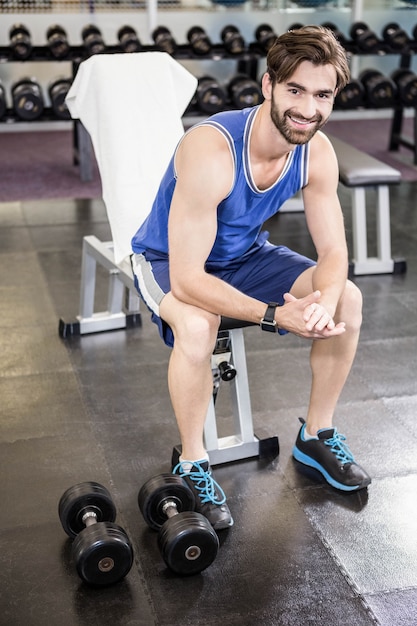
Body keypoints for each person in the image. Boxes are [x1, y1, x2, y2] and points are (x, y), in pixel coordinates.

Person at [131, 24, 371, 530]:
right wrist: (274, 315)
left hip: (245, 256)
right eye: (295, 91)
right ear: (267, 86)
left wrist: (324, 302)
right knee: (199, 325)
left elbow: (333, 252)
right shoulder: (212, 150)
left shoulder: (317, 151)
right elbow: (188, 279)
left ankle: (316, 435)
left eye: (322, 95)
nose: (308, 109)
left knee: (347, 298)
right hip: (166, 260)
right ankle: (193, 461)